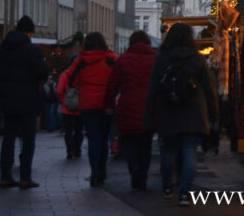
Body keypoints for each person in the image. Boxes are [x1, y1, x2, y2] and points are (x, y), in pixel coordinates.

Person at [144, 23, 217, 206]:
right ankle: (185, 193)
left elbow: (152, 87)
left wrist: (149, 113)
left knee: (168, 151)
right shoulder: (197, 58)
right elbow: (209, 89)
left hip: (168, 111)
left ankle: (167, 187)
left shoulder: (161, 58)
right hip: (194, 113)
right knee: (189, 151)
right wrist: (214, 114)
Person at [0, 15, 49, 189]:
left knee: (8, 138)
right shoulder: (30, 49)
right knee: (27, 139)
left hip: (8, 99)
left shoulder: (2, 48)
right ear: (29, 32)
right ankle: (25, 176)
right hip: (28, 99)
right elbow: (41, 72)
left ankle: (5, 176)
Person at [61, 32, 116, 187]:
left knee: (93, 138)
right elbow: (119, 77)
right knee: (104, 138)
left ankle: (94, 173)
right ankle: (102, 170)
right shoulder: (111, 59)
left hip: (88, 104)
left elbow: (71, 81)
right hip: (106, 103)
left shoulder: (81, 61)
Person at [104, 30, 155, 190]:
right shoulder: (154, 59)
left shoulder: (123, 59)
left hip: (127, 106)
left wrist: (109, 105)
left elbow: (113, 85)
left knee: (128, 141)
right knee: (146, 144)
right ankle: (143, 176)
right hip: (148, 107)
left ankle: (133, 166)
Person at [57, 63, 84, 159]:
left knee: (68, 130)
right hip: (80, 107)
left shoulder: (64, 75)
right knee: (79, 130)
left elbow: (59, 91)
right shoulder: (82, 74)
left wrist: (63, 101)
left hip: (67, 108)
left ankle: (70, 150)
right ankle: (77, 150)